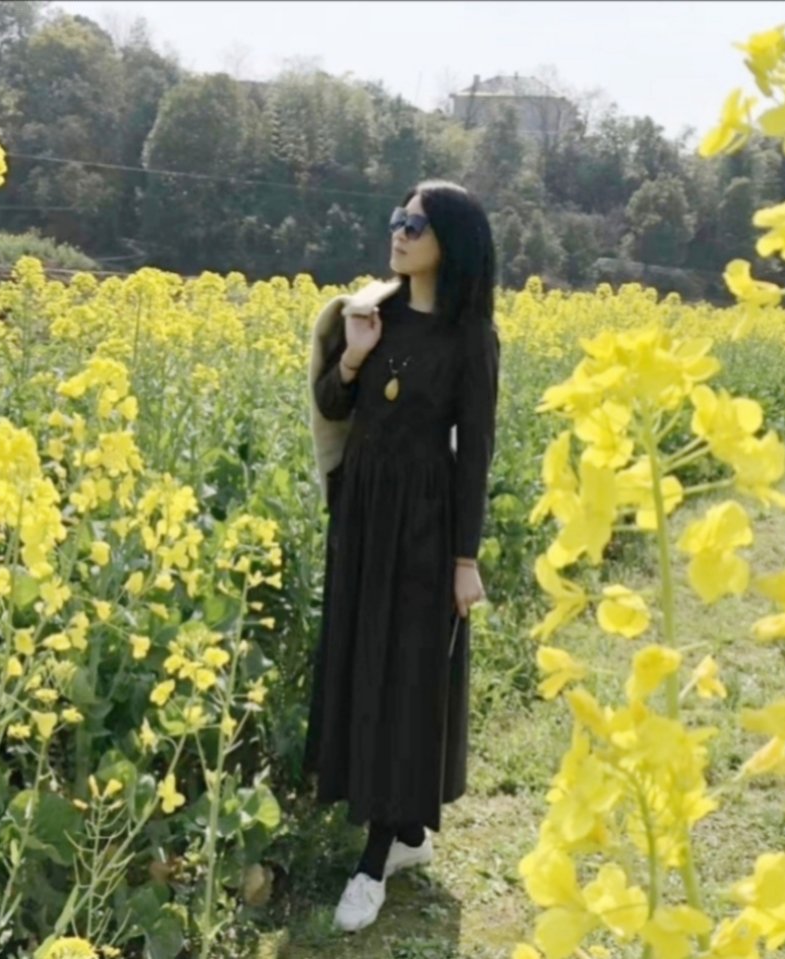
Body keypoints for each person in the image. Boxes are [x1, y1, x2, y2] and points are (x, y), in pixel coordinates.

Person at [302, 180, 500, 932]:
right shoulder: (370, 313)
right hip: (362, 512)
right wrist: (354, 357)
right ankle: (406, 835)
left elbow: (474, 454)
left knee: (407, 675)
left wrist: (463, 559)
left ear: (451, 242)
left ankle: (373, 860)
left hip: (423, 518)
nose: (399, 232)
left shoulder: (469, 337)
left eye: (415, 225)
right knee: (363, 656)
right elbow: (332, 404)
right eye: (397, 219)